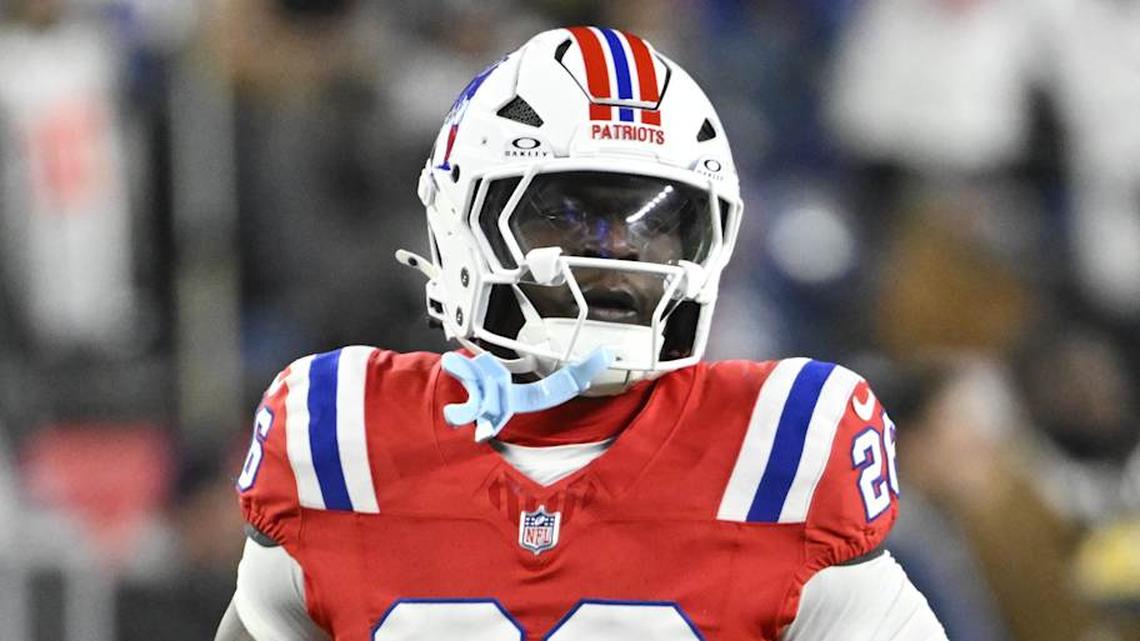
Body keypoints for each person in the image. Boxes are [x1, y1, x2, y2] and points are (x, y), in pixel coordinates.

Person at [215, 27, 948, 640]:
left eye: (655, 221)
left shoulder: (782, 448)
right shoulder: (340, 434)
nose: (617, 250)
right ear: (458, 220)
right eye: (565, 214)